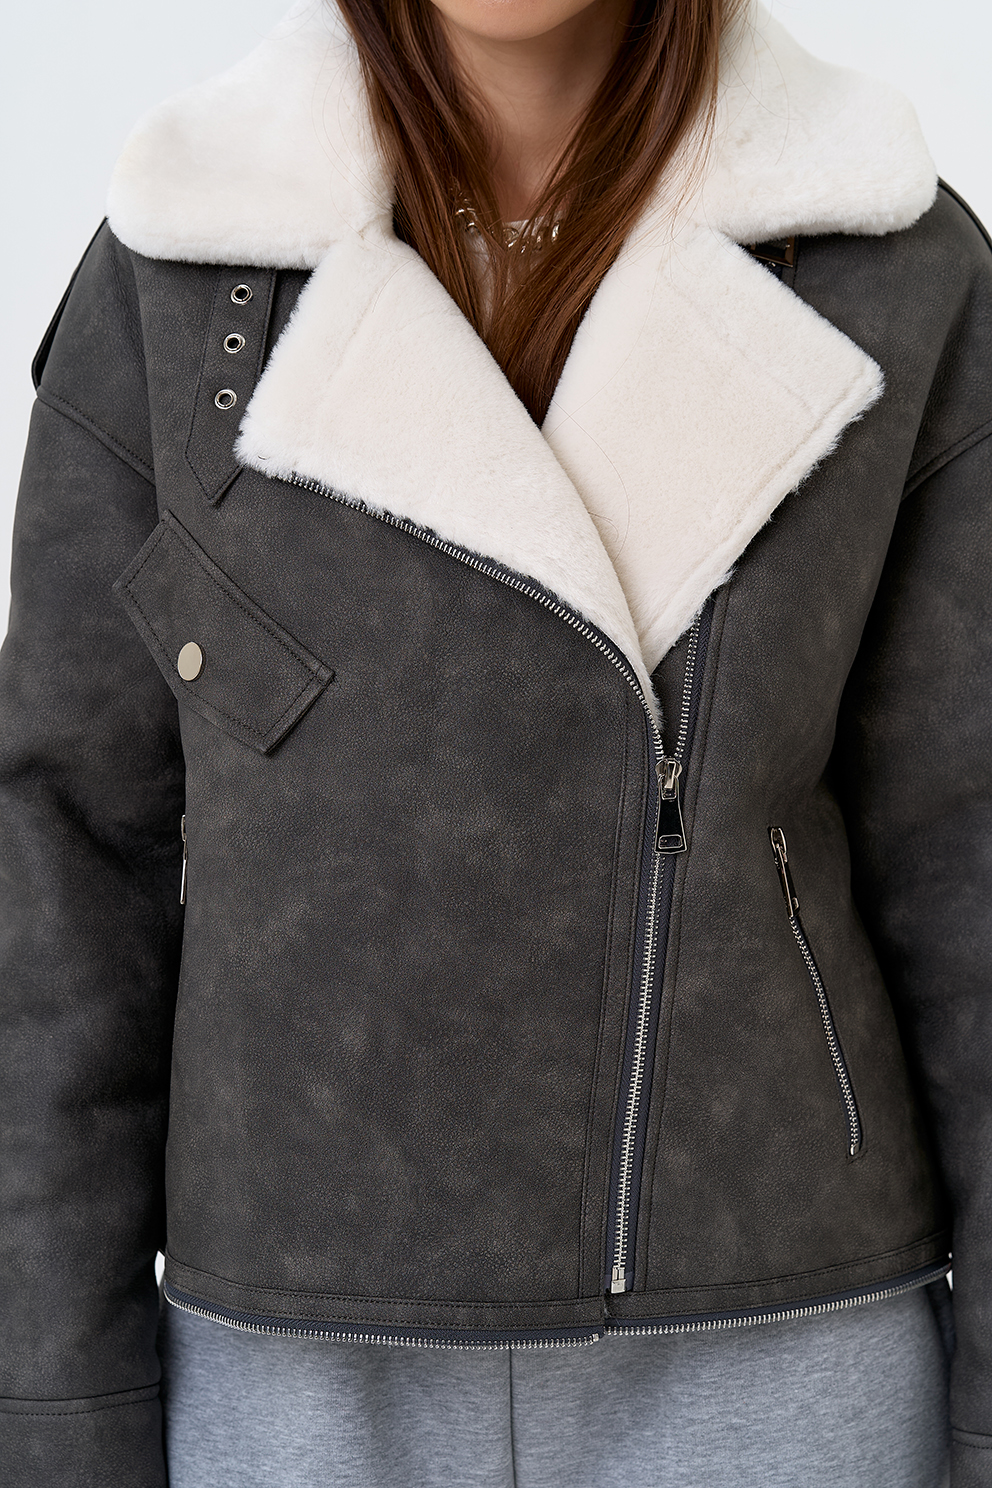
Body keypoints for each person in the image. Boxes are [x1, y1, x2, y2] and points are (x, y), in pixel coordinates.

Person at [0, 0, 989, 1483]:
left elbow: (973, 869)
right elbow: (60, 886)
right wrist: (54, 1414)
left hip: (772, 1342)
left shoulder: (888, 258)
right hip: (294, 1369)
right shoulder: (183, 263)